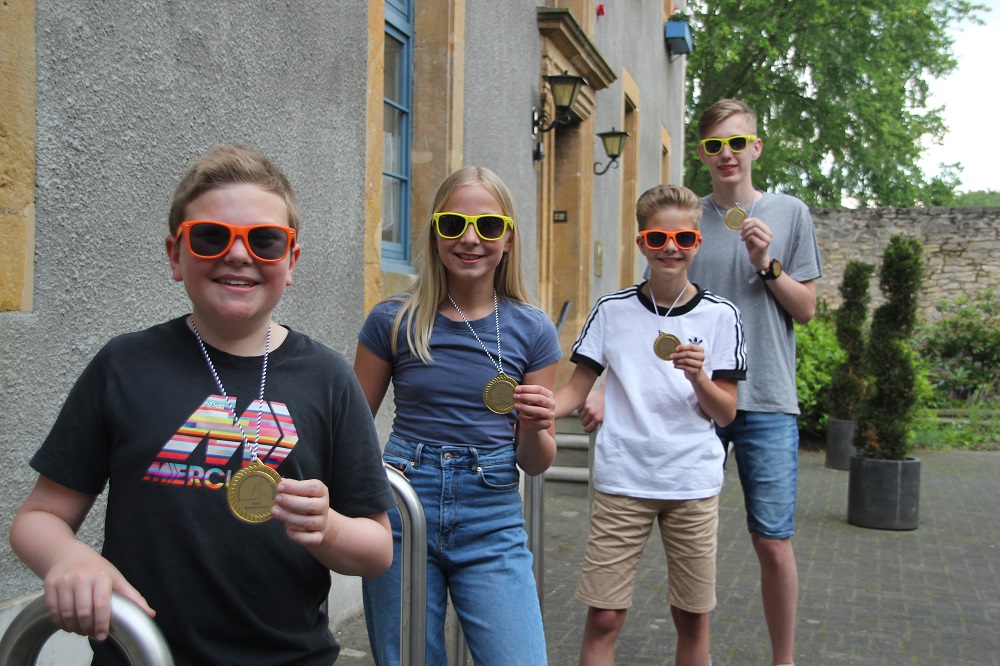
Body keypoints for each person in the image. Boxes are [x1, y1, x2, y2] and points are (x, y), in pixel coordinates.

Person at [9, 145, 396, 666]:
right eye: (211, 237)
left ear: (291, 261)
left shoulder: (329, 379)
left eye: (265, 241)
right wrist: (68, 558)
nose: (239, 255)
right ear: (176, 255)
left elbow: (377, 548)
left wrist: (327, 528)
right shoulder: (124, 366)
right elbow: (37, 518)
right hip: (142, 654)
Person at [354, 166, 561, 666]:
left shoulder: (533, 329)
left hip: (491, 514)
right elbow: (354, 429)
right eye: (453, 224)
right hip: (404, 502)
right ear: (434, 234)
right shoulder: (394, 320)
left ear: (508, 238)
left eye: (488, 226)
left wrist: (535, 427)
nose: (470, 238)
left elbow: (535, 462)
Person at [554, 184, 746, 666]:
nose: (671, 248)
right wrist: (533, 405)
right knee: (604, 617)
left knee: (692, 617)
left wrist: (699, 375)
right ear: (642, 242)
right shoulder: (612, 310)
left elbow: (726, 413)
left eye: (683, 238)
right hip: (625, 479)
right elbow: (576, 390)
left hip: (693, 482)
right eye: (658, 239)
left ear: (697, 242)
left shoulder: (722, 316)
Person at [689, 99, 823, 666]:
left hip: (767, 396)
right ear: (703, 153)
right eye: (716, 145)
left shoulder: (789, 212)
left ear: (756, 148)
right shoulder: (687, 218)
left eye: (737, 143)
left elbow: (808, 309)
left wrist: (768, 264)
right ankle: (699, 654)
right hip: (700, 399)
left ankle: (782, 660)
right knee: (694, 535)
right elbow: (667, 307)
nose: (727, 155)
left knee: (772, 539)